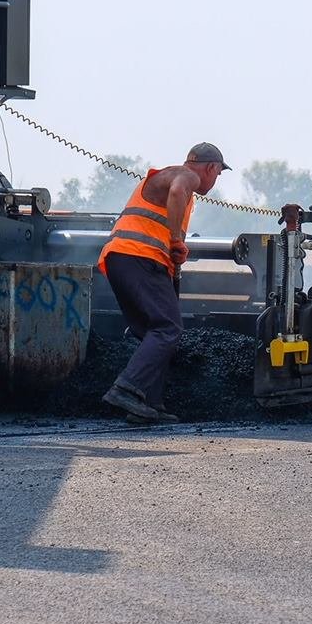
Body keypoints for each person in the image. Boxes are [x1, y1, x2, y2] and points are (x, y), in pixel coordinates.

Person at [98, 143, 231, 423]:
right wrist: (175, 241)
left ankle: (147, 403)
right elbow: (177, 191)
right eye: (218, 174)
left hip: (122, 259)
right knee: (168, 328)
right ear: (211, 167)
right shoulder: (186, 177)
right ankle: (126, 388)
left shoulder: (172, 179)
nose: (215, 180)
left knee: (153, 332)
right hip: (140, 258)